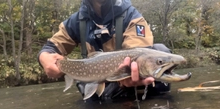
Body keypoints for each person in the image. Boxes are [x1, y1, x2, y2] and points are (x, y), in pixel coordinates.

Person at [38, 0, 171, 100]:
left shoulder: (132, 16)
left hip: (126, 82)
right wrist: (44, 58)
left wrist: (128, 73)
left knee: (160, 51)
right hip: (93, 81)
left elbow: (139, 52)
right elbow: (50, 48)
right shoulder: (75, 21)